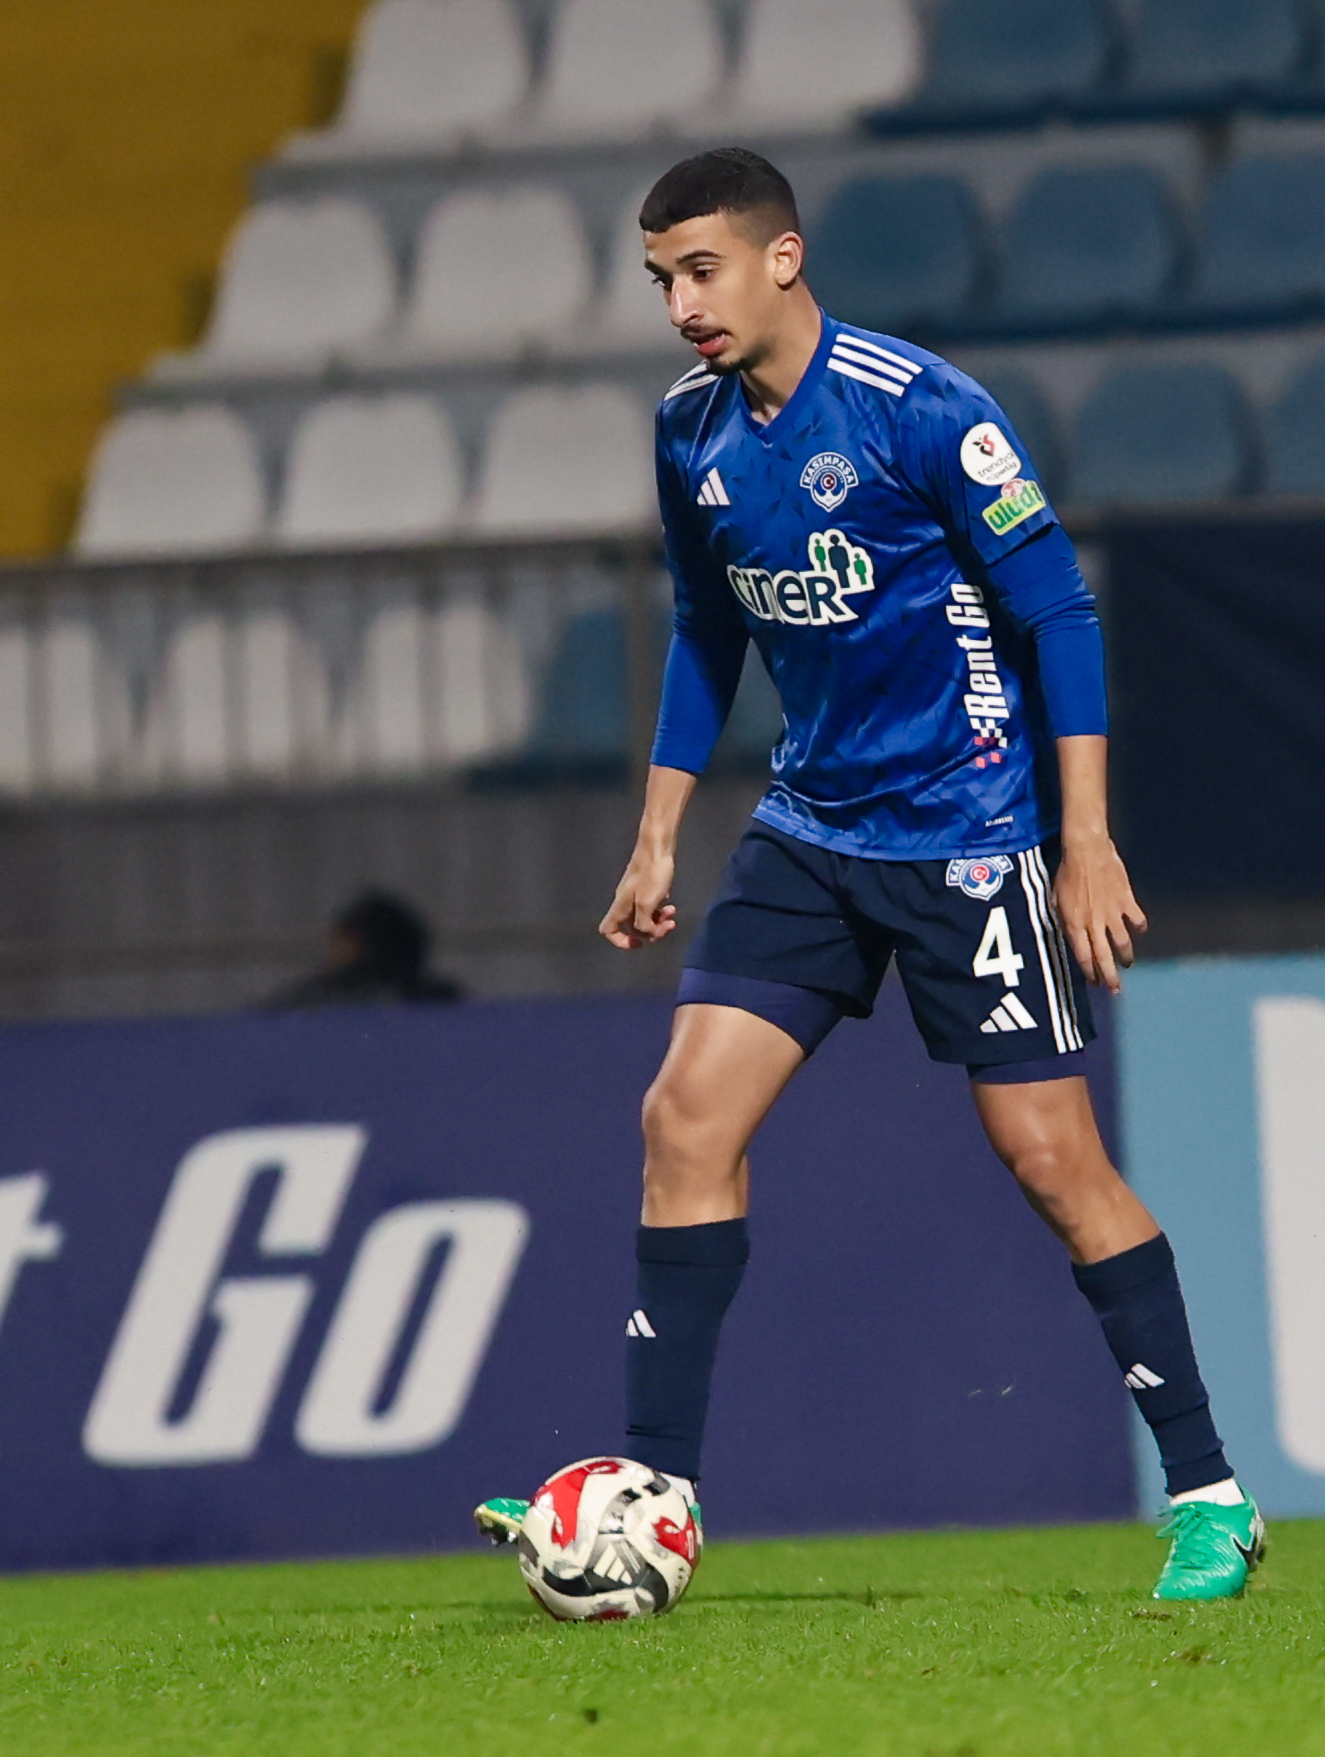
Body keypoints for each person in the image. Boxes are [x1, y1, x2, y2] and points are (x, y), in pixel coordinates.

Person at [476, 148, 1259, 1603]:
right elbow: (707, 626)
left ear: (782, 257)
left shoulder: (922, 408)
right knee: (684, 1118)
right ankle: (655, 1491)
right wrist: (657, 827)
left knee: (1053, 1160)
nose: (681, 305)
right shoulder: (690, 428)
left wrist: (1083, 839)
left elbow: (1060, 612)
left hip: (970, 834)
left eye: (701, 269)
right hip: (809, 831)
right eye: (660, 280)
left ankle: (1210, 1492)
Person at [264, 889, 463, 1009]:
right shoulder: (447, 1002)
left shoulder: (309, 1003)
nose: (328, 951)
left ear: (355, 942)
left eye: (337, 940)